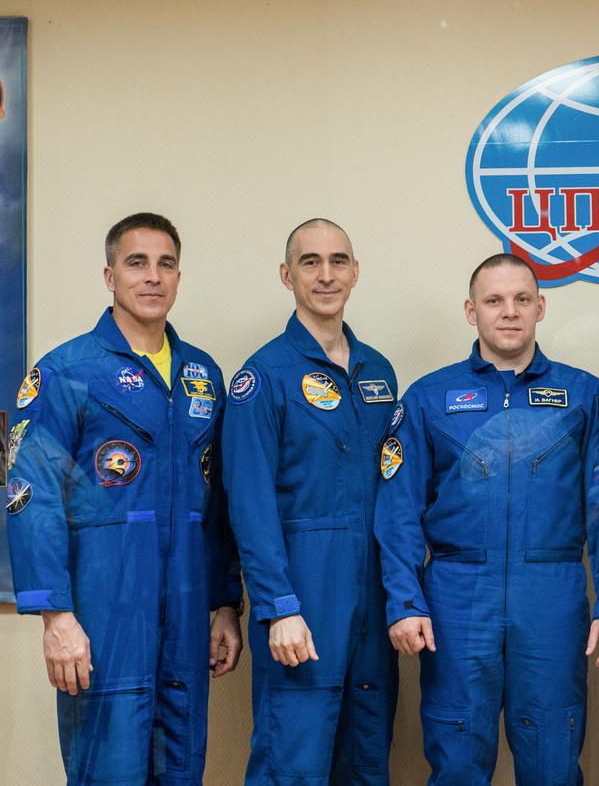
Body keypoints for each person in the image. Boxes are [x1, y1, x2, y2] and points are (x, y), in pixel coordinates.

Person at [5, 212, 242, 784]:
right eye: (137, 263)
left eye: (166, 264)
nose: (152, 277)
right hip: (103, 612)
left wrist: (225, 604)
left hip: (186, 617)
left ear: (179, 277)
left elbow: (217, 507)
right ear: (109, 275)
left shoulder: (202, 377)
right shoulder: (67, 371)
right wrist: (55, 615)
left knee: (181, 766)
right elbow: (27, 494)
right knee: (108, 768)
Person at [375, 253, 599, 785]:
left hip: (551, 595)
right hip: (457, 596)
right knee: (457, 755)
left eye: (522, 300)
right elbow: (397, 514)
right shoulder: (427, 398)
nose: (509, 312)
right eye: (494, 301)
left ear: (540, 307)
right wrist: (405, 599)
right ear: (471, 310)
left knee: (553, 756)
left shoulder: (583, 396)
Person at [221, 218, 398, 784]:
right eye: (310, 262)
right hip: (304, 590)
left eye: (339, 261)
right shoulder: (263, 377)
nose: (326, 275)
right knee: (292, 759)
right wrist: (278, 606)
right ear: (286, 275)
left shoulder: (378, 373)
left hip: (373, 592)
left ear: (355, 272)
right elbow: (247, 504)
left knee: (366, 754)